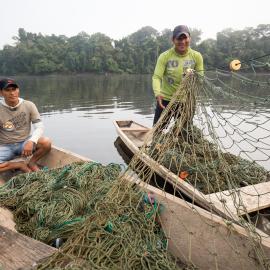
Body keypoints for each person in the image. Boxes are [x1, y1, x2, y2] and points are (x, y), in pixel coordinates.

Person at [152, 25, 204, 126]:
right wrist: (157, 93)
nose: (182, 41)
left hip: (186, 102)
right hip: (165, 101)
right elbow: (156, 77)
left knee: (184, 134)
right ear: (173, 40)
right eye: (179, 38)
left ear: (190, 38)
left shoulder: (197, 56)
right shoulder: (165, 56)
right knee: (157, 131)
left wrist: (193, 76)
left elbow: (200, 79)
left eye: (185, 38)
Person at [0, 78, 51, 173]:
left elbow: (39, 127)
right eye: (7, 90)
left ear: (18, 90)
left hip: (24, 143)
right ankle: (18, 165)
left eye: (14, 89)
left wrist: (31, 141)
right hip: (4, 146)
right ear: (1, 93)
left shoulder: (28, 105)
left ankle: (32, 163)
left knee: (46, 142)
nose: (12, 93)